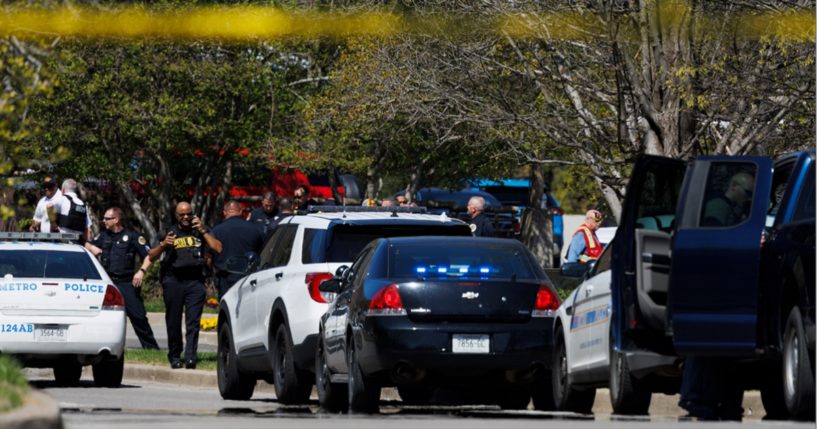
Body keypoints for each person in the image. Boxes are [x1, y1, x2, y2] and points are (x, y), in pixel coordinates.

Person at [147, 202, 222, 369]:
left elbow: (217, 248)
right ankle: (174, 355)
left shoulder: (200, 230)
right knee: (173, 320)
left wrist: (203, 230)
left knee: (193, 322)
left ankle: (190, 357)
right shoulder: (168, 231)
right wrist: (163, 245)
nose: (186, 217)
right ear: (176, 215)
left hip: (195, 281)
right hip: (173, 280)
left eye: (189, 213)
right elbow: (151, 255)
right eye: (182, 215)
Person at [85, 207, 159, 350]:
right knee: (102, 317)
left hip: (126, 282)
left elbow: (150, 256)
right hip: (108, 283)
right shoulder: (103, 236)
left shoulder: (132, 236)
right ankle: (102, 348)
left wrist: (141, 271)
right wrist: (91, 247)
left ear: (116, 220)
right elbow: (87, 246)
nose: (103, 221)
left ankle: (151, 348)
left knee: (138, 317)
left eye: (107, 218)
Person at [212, 200, 265, 299]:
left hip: (225, 277)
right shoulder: (256, 229)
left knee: (226, 309)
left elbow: (210, 255)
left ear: (225, 212)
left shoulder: (216, 231)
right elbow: (263, 252)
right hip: (248, 276)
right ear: (240, 211)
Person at [50, 178, 93, 243]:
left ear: (63, 189)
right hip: (78, 242)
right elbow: (88, 230)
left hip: (62, 240)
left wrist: (53, 223)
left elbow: (49, 206)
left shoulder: (62, 199)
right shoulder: (83, 204)